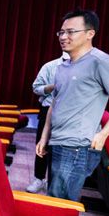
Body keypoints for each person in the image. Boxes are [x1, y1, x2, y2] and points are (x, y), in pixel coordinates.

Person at [37, 9, 109, 201]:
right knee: (55, 198)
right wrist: (44, 137)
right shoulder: (63, 66)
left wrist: (103, 134)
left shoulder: (101, 62)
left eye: (71, 32)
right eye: (61, 32)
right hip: (58, 141)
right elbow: (54, 104)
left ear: (90, 33)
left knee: (61, 202)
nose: (63, 37)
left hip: (76, 146)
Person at [27, 53, 69, 193]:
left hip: (70, 112)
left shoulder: (85, 67)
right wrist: (51, 87)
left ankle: (54, 182)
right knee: (42, 145)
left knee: (62, 149)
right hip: (48, 109)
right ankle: (39, 178)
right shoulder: (50, 66)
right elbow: (36, 88)